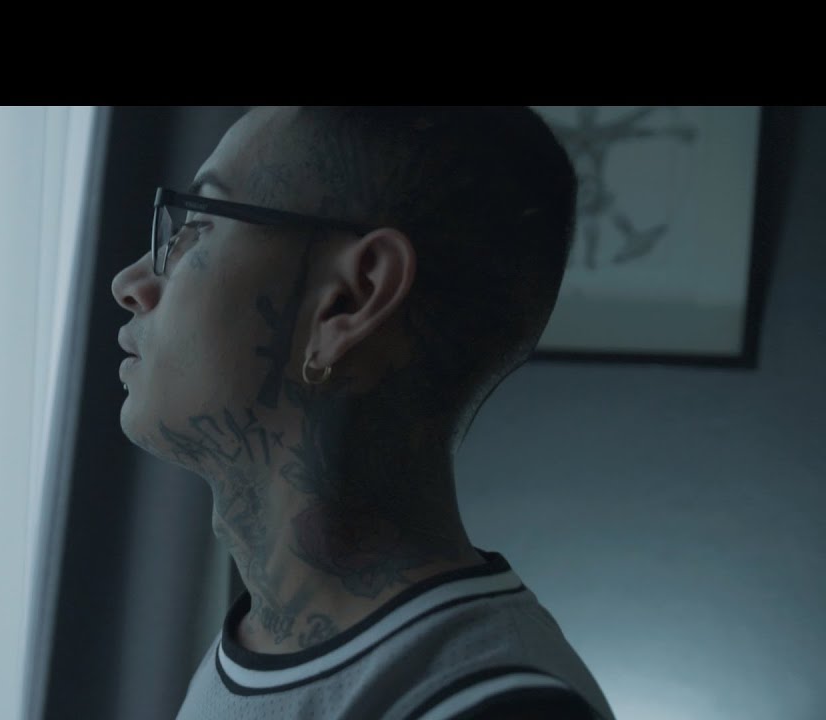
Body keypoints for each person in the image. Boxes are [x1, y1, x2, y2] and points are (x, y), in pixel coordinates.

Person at [110, 107, 616, 720]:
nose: (130, 282)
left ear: (349, 300)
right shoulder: (261, 646)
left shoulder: (500, 709)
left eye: (199, 223)